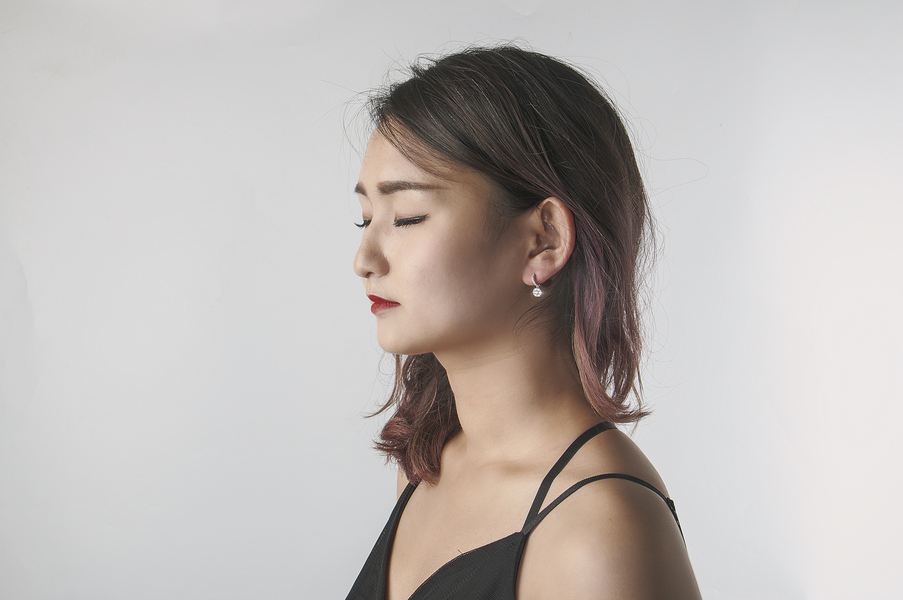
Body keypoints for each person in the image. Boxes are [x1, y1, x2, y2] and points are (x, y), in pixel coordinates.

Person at [345, 45, 701, 600]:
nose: (364, 260)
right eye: (366, 218)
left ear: (544, 240)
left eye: (407, 217)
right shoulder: (429, 467)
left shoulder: (597, 532)